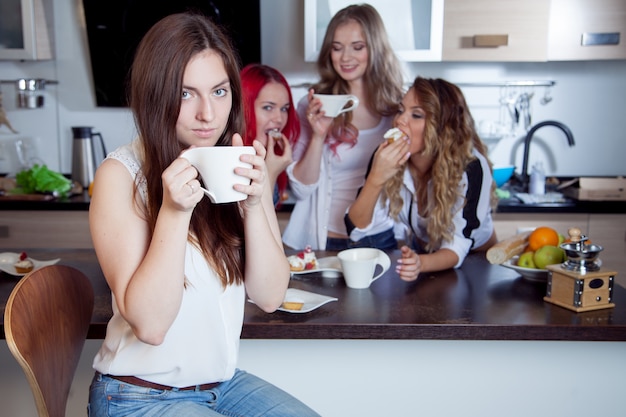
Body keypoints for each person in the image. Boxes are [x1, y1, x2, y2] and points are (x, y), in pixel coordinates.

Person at [88, 13, 319, 417]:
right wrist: (175, 213)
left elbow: (270, 296)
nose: (207, 114)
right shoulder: (120, 175)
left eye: (218, 91)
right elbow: (151, 326)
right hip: (138, 395)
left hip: (222, 385)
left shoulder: (241, 165)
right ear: (156, 94)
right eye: (185, 94)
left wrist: (254, 205)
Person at [345, 77, 498, 281]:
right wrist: (376, 178)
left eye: (416, 115)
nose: (400, 120)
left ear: (443, 128)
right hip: (424, 255)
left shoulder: (470, 166)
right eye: (401, 110)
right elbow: (356, 229)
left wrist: (421, 263)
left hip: (475, 261)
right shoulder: (386, 157)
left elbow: (459, 245)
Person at [282, 3, 405, 250]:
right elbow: (302, 190)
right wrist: (318, 136)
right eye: (337, 48)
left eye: (357, 47)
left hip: (380, 236)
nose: (346, 57)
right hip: (328, 238)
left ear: (376, 48)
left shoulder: (397, 109)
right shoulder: (314, 104)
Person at [240, 63, 299, 207]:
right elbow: (254, 226)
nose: (279, 118)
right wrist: (270, 173)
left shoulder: (266, 157)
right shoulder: (235, 165)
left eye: (284, 109)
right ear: (244, 108)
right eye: (268, 107)